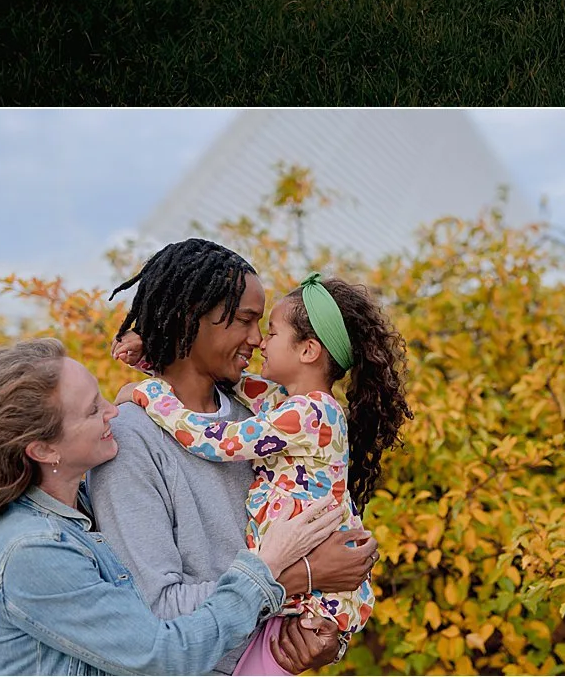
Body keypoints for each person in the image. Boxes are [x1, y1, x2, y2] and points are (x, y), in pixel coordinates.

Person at [0, 335, 348, 675]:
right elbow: (160, 657)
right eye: (93, 409)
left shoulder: (78, 513)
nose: (114, 409)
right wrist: (273, 571)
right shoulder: (33, 549)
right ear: (42, 448)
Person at [92, 239, 377, 675]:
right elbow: (156, 610)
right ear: (191, 318)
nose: (258, 338)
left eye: (265, 326)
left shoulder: (266, 416)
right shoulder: (131, 442)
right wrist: (300, 576)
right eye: (245, 320)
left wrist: (325, 640)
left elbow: (218, 431)